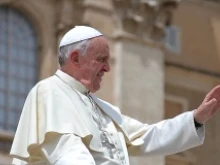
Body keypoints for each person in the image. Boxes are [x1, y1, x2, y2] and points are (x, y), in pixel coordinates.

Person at [10, 26, 220, 165]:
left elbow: (148, 137)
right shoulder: (49, 92)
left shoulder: (103, 110)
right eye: (101, 59)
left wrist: (195, 119)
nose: (108, 68)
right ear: (75, 58)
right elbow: (67, 152)